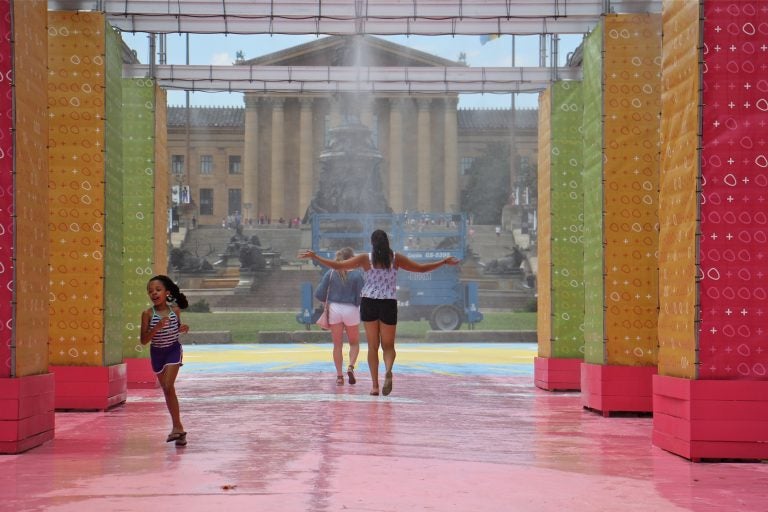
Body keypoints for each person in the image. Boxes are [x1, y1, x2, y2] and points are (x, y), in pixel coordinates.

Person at [300, 230, 460, 396]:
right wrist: (443, 262)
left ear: (372, 243)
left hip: (369, 303)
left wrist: (316, 257)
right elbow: (420, 269)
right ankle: (388, 371)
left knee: (373, 347)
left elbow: (339, 266)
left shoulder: (365, 259)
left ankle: (375, 386)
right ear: (387, 242)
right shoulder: (396, 259)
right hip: (388, 303)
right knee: (388, 346)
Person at [140, 275, 190, 446]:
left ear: (166, 292)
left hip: (173, 351)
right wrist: (157, 327)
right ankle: (179, 429)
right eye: (150, 291)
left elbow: (177, 329)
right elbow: (144, 340)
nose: (154, 293)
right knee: (168, 391)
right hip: (157, 354)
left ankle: (177, 428)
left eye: (158, 290)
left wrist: (183, 328)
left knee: (168, 386)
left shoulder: (174, 311)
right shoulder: (147, 314)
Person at [314, 247, 364, 386]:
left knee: (337, 345)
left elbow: (319, 293)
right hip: (351, 309)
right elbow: (362, 296)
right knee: (354, 343)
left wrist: (328, 303)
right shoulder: (357, 275)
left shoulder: (331, 273)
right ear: (352, 258)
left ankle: (339, 376)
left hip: (335, 309)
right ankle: (351, 367)